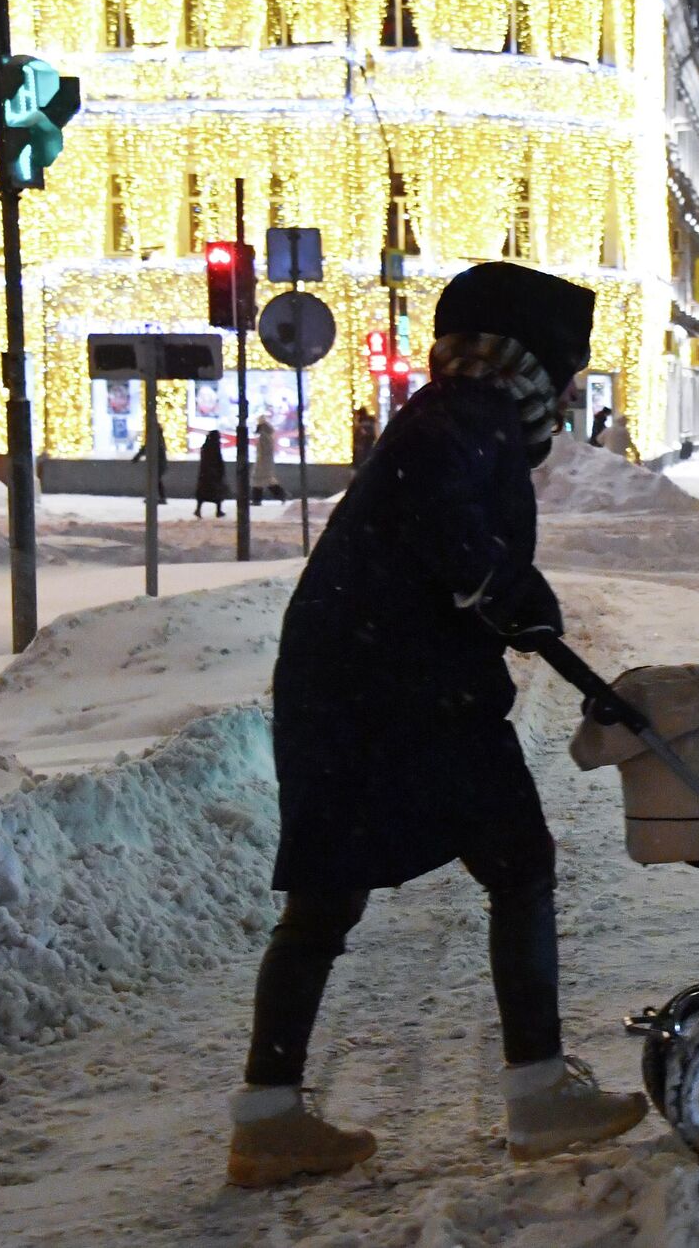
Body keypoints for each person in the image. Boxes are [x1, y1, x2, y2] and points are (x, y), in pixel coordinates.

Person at [226, 262, 645, 1189]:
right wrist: (500, 584)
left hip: (350, 682)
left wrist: (498, 591)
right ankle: (538, 1092)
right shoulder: (469, 414)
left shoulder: (453, 408)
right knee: (519, 860)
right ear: (532, 360)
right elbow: (438, 508)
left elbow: (434, 524)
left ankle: (267, 1116)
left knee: (327, 897)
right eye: (567, 369)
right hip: (406, 691)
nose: (569, 391)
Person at [251, 416, 286, 505]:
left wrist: (260, 460)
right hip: (265, 462)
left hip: (263, 462)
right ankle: (281, 495)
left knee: (259, 480)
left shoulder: (263, 436)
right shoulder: (267, 436)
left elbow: (264, 451)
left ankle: (257, 500)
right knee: (266, 480)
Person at [194, 430, 229, 518]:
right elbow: (218, 461)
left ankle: (198, 509)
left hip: (205, 474)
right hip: (214, 475)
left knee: (203, 493)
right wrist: (220, 471)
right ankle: (218, 511)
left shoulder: (205, 447)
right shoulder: (215, 447)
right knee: (217, 494)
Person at [132, 431, 168, 505]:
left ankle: (156, 497)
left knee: (154, 480)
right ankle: (160, 497)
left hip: (157, 464)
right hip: (159, 463)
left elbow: (146, 448)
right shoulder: (160, 440)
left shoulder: (154, 439)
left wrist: (137, 457)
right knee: (156, 481)